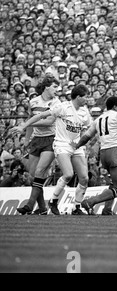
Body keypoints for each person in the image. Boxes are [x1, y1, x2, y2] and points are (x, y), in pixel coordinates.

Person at [12, 84, 93, 215]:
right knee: (68, 174)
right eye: (86, 96)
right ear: (78, 97)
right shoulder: (62, 107)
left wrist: (83, 142)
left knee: (84, 178)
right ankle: (53, 201)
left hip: (76, 146)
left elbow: (87, 129)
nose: (88, 99)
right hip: (61, 144)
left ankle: (76, 207)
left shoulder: (85, 111)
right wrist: (23, 126)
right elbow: (40, 116)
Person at [13, 75, 61, 215]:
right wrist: (27, 140)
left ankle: (29, 205)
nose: (56, 90)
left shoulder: (56, 102)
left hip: (51, 138)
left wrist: (28, 123)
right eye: (54, 87)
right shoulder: (33, 101)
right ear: (46, 87)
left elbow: (49, 121)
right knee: (33, 176)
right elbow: (29, 121)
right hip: (36, 139)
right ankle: (42, 208)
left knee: (40, 171)